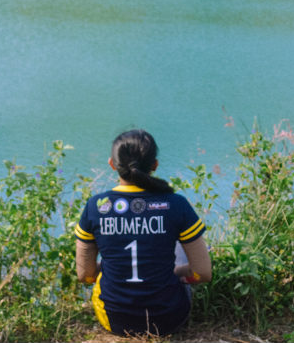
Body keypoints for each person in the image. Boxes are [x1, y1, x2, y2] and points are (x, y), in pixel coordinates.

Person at [75, 129, 212, 337]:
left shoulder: (95, 206)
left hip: (115, 321)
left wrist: (110, 266)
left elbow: (85, 275)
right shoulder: (176, 204)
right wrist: (176, 273)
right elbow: (203, 273)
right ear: (154, 165)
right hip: (169, 319)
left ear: (112, 164)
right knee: (181, 244)